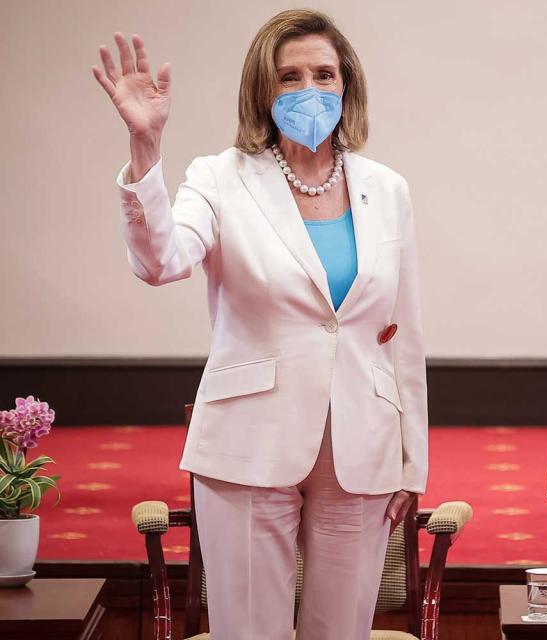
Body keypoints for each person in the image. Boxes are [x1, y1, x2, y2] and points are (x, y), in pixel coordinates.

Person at [92, 10, 427, 640]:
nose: (309, 91)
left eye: (324, 75)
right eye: (290, 77)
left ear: (346, 85)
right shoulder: (219, 178)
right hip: (248, 439)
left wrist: (413, 463)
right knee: (248, 631)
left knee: (342, 631)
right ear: (262, 91)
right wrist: (145, 147)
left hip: (362, 442)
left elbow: (401, 330)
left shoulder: (387, 189)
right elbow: (160, 262)